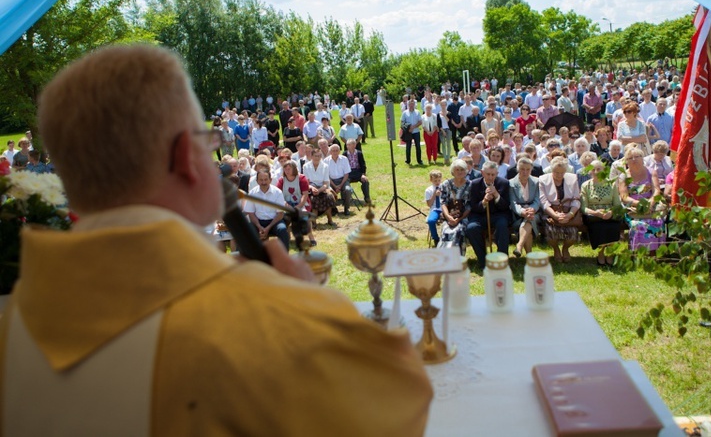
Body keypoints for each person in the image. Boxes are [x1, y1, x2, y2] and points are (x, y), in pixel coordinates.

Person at [1, 45, 432, 435]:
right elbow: (404, 400)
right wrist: (307, 305)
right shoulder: (265, 318)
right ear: (188, 159)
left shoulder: (10, 324)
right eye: (210, 142)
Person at [618, 146, 666, 252]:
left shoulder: (651, 172)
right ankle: (637, 253)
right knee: (638, 225)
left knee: (657, 222)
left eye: (637, 156)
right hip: (633, 207)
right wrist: (640, 204)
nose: (634, 159)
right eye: (630, 158)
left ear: (642, 158)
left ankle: (655, 253)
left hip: (651, 205)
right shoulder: (623, 176)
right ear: (626, 161)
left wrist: (650, 203)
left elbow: (657, 191)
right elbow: (624, 197)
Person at [466, 161, 511, 268]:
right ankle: (483, 259)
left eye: (493, 174)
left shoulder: (504, 183)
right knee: (471, 228)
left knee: (502, 225)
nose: (491, 177)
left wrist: (496, 195)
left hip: (499, 214)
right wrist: (484, 201)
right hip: (480, 215)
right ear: (482, 172)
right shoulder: (475, 184)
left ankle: (502, 259)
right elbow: (473, 206)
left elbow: (505, 206)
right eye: (488, 174)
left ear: (497, 173)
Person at [539, 156, 581, 263]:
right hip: (550, 213)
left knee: (573, 233)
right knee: (550, 231)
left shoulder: (573, 178)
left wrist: (570, 215)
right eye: (556, 172)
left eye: (562, 172)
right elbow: (543, 201)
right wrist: (555, 215)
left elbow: (576, 200)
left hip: (568, 212)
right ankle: (556, 249)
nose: (559, 175)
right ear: (551, 170)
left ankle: (565, 248)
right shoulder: (543, 179)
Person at [581, 160, 622, 266]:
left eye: (599, 169)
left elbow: (617, 205)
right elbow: (584, 208)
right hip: (593, 216)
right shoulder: (585, 185)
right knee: (599, 226)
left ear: (604, 170)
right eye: (593, 169)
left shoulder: (612, 184)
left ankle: (609, 253)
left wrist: (610, 212)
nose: (596, 171)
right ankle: (600, 253)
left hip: (610, 214)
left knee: (612, 225)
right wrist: (596, 213)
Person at [245, 170, 291, 250]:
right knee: (245, 230)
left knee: (282, 230)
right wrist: (259, 226)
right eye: (261, 180)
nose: (263, 182)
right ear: (257, 181)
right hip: (258, 221)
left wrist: (268, 228)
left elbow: (280, 214)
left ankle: (285, 258)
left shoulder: (278, 193)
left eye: (266, 179)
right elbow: (251, 213)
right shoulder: (252, 193)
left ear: (270, 180)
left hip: (274, 221)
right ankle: (245, 258)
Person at [276, 161, 316, 246]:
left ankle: (311, 237)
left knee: (305, 216)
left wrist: (298, 206)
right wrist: (286, 204)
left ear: (294, 169)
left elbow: (305, 195)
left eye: (289, 169)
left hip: (300, 203)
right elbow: (278, 195)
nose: (287, 171)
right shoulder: (281, 180)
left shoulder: (302, 178)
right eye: (285, 169)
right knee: (283, 217)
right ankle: (287, 236)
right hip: (286, 204)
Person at [509, 157, 541, 258]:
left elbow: (537, 199)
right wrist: (523, 211)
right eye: (522, 169)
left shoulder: (536, 182)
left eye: (528, 169)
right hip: (518, 214)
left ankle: (519, 245)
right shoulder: (511, 183)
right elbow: (513, 202)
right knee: (528, 224)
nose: (525, 172)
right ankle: (529, 256)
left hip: (534, 213)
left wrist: (532, 209)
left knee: (529, 219)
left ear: (531, 170)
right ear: (518, 169)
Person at [438, 159, 472, 254]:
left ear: (466, 171)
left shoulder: (470, 185)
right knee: (446, 230)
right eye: (457, 169)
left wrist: (458, 219)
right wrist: (448, 217)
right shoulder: (446, 184)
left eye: (462, 170)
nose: (460, 172)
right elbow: (443, 202)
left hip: (464, 216)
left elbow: (469, 206)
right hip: (449, 216)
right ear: (453, 171)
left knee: (458, 230)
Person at [303, 148, 336, 227]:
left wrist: (320, 190)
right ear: (311, 156)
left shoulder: (325, 166)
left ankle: (330, 219)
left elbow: (326, 183)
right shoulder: (306, 166)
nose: (317, 158)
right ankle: (314, 222)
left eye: (319, 156)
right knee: (313, 199)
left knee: (329, 197)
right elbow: (306, 182)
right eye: (315, 156)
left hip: (323, 187)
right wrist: (312, 188)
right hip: (311, 187)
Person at [324, 144, 353, 216]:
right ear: (330, 152)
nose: (335, 152)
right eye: (333, 151)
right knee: (328, 192)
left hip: (343, 180)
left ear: (339, 151)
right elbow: (326, 176)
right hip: (331, 181)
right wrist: (335, 186)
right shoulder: (326, 161)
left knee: (348, 190)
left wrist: (340, 185)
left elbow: (346, 174)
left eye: (337, 150)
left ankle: (346, 208)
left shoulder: (344, 159)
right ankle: (334, 209)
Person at [343, 138, 371, 204]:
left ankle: (367, 197)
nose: (348, 146)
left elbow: (363, 164)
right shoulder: (344, 154)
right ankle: (346, 199)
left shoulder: (359, 153)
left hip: (358, 172)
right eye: (347, 145)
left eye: (350, 145)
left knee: (365, 181)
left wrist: (363, 174)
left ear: (354, 145)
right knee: (345, 183)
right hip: (348, 172)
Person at [401, 98, 423, 165]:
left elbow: (420, 122)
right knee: (408, 147)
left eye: (412, 104)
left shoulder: (417, 112)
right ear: (408, 105)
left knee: (418, 147)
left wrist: (414, 127)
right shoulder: (405, 113)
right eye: (410, 104)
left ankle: (419, 160)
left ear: (414, 105)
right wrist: (408, 128)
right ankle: (408, 161)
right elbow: (402, 122)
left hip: (416, 132)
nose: (411, 106)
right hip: (408, 132)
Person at [425, 170, 443, 247]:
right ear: (431, 180)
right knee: (431, 221)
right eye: (435, 180)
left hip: (444, 208)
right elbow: (429, 204)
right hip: (435, 209)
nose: (437, 182)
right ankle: (436, 238)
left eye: (439, 180)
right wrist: (434, 195)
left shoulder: (444, 187)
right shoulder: (428, 190)